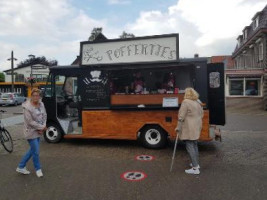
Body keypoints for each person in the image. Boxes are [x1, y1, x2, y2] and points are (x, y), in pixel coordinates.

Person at [16, 88, 47, 178]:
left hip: (39, 130)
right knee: (36, 151)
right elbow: (30, 122)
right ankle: (38, 169)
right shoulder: (27, 107)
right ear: (31, 96)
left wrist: (43, 126)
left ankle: (21, 166)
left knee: (32, 150)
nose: (36, 97)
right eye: (34, 95)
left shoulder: (41, 104)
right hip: (30, 131)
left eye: (37, 95)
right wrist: (42, 127)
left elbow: (44, 115)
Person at [175, 87, 203, 175]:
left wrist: (178, 127)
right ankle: (196, 164)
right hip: (197, 127)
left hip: (189, 128)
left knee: (190, 146)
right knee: (194, 145)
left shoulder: (186, 102)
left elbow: (181, 117)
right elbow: (201, 114)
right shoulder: (198, 102)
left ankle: (195, 169)